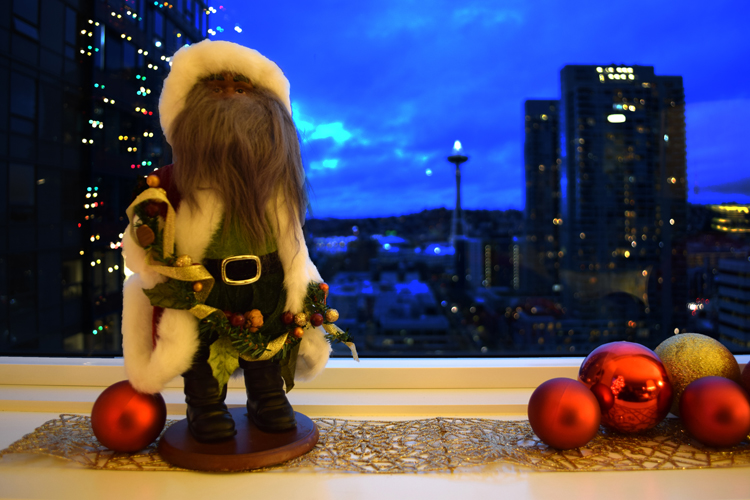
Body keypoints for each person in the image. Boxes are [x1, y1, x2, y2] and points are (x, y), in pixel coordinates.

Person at [121, 40, 334, 443]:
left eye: (242, 89)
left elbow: (294, 244)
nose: (231, 97)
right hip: (202, 284)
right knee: (201, 349)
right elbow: (142, 239)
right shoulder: (170, 182)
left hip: (267, 280)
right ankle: (204, 404)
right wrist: (145, 235)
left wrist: (303, 289)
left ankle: (267, 397)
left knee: (266, 343)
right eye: (217, 88)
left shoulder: (278, 186)